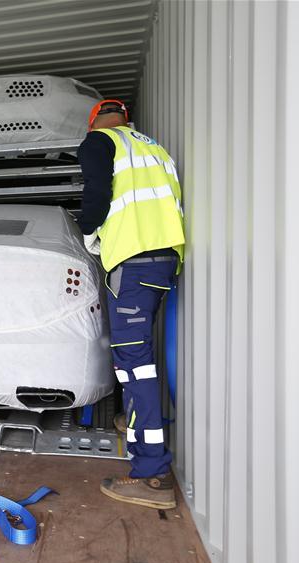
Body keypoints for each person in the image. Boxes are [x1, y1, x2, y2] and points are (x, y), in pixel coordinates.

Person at [76, 99, 186, 510]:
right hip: (162, 259)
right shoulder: (153, 148)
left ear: (94, 123)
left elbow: (97, 195)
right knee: (137, 358)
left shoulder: (99, 142)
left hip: (132, 259)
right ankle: (139, 430)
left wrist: (88, 231)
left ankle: (152, 473)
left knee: (133, 361)